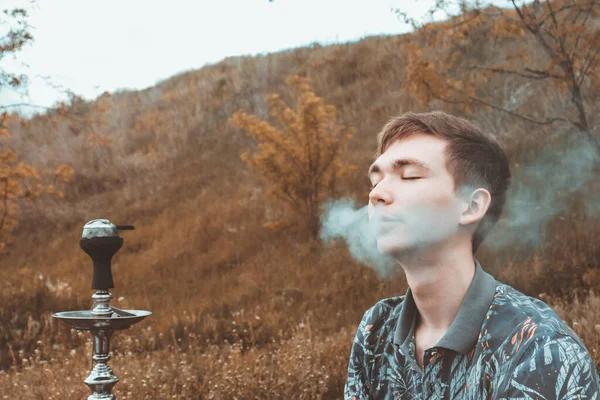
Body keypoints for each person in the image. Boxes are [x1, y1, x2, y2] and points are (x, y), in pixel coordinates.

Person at [344, 111, 600, 399]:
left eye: (410, 176)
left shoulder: (539, 351)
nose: (376, 194)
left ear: (471, 206)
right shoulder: (375, 330)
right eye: (375, 181)